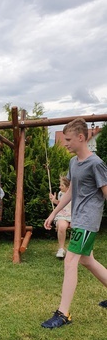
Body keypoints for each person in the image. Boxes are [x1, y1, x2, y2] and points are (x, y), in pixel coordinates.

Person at [41, 118, 107, 329]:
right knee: (87, 261)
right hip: (77, 218)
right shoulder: (73, 162)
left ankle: (63, 314)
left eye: (68, 139)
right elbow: (70, 191)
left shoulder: (96, 164)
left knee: (70, 262)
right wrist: (54, 213)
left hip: (88, 220)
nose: (66, 143)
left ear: (81, 137)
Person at [49, 175, 71, 258]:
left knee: (76, 227)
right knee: (61, 226)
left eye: (62, 185)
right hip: (63, 214)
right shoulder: (61, 193)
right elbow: (60, 204)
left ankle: (72, 249)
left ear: (69, 186)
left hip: (73, 215)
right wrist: (54, 200)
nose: (59, 187)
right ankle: (61, 249)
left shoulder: (76, 193)